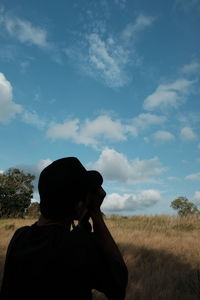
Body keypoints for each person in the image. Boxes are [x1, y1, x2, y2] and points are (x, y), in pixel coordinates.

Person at [0, 157, 128, 300]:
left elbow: (58, 246)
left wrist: (81, 228)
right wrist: (95, 213)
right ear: (79, 206)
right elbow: (118, 286)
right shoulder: (81, 246)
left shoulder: (19, 237)